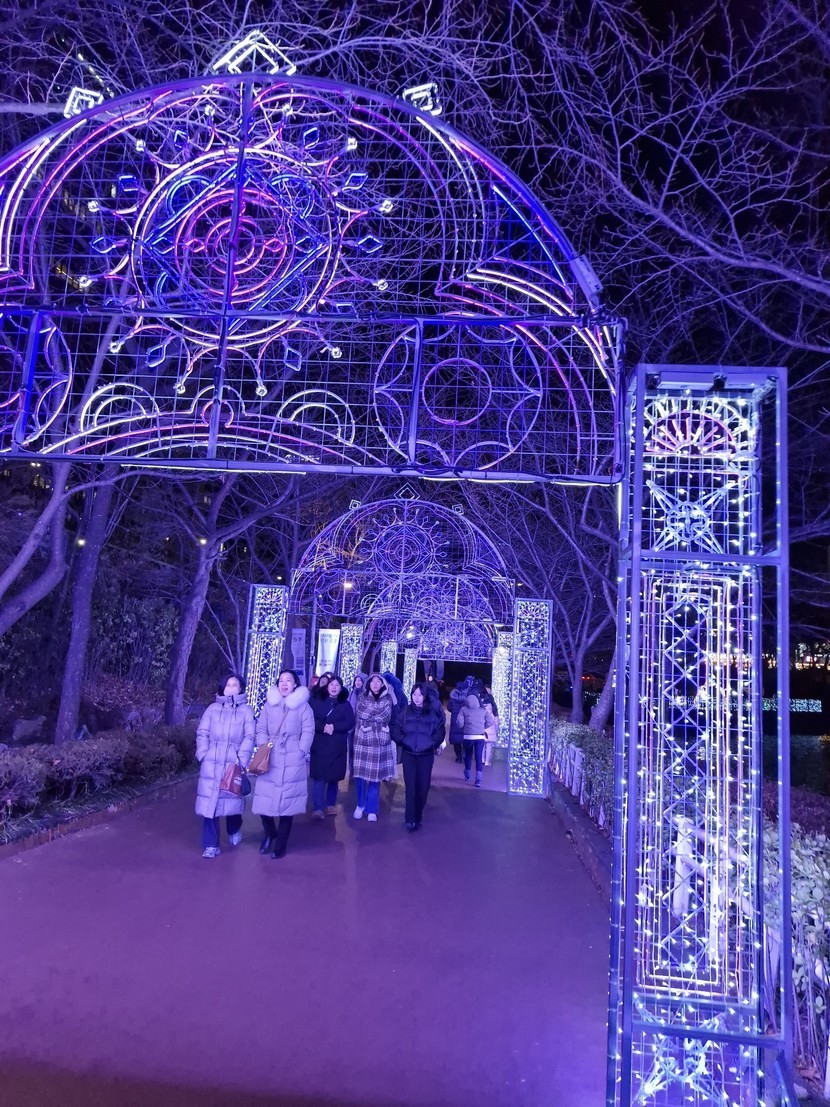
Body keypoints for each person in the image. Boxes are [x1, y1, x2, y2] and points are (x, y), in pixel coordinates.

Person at [252, 669, 314, 859]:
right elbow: (261, 727)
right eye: (281, 680)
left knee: (288, 804)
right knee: (264, 801)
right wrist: (263, 745)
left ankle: (281, 845)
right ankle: (270, 832)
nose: (284, 683)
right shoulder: (269, 705)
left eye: (289, 680)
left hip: (293, 757)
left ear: (295, 684)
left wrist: (301, 750)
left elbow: (308, 730)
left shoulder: (303, 707)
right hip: (270, 757)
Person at [195, 675, 255, 858]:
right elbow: (202, 733)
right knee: (210, 804)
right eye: (227, 685)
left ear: (240, 688)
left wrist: (241, 759)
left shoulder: (246, 711)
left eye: (234, 685)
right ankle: (210, 845)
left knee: (232, 802)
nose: (230, 688)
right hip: (211, 762)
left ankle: (234, 828)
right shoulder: (212, 709)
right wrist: (203, 753)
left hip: (233, 762)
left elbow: (250, 736)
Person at [392, 683, 445, 831]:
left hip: (426, 756)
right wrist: (403, 740)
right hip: (409, 755)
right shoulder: (405, 711)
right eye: (414, 694)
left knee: (422, 788)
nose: (417, 697)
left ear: (425, 696)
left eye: (420, 695)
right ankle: (409, 819)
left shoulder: (433, 713)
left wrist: (432, 742)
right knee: (411, 787)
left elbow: (440, 731)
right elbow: (395, 728)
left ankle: (418, 816)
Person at [309, 675, 355, 818]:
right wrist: (323, 727)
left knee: (333, 778)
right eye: (332, 685)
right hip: (320, 744)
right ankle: (318, 807)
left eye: (337, 685)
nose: (334, 688)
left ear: (341, 688)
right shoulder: (317, 701)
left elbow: (350, 722)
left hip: (337, 746)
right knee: (319, 777)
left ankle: (330, 805)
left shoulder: (345, 704)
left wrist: (334, 727)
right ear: (327, 686)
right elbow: (310, 719)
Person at [352, 672, 395, 822]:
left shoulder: (387, 698)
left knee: (375, 778)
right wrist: (376, 715)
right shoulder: (362, 697)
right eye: (372, 681)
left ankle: (371, 809)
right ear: (368, 683)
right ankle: (360, 804)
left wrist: (371, 716)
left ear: (383, 684)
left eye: (378, 681)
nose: (375, 684)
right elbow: (360, 713)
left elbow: (386, 716)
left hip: (379, 741)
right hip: (362, 740)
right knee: (359, 777)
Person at [457, 688, 496, 788]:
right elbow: (490, 721)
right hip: (479, 736)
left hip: (467, 736)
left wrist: (465, 727)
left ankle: (467, 774)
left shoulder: (463, 709)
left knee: (468, 755)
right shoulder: (483, 709)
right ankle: (478, 780)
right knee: (478, 757)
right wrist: (482, 727)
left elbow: (460, 723)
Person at [478, 683, 500, 766]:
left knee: (482, 744)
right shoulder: (491, 703)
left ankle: (482, 759)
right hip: (490, 725)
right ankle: (487, 761)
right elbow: (496, 717)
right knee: (489, 745)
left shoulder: (478, 703)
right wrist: (496, 729)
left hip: (481, 724)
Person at [448, 680, 468, 763]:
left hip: (455, 720)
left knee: (456, 740)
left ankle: (458, 756)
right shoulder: (467, 699)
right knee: (465, 738)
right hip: (464, 720)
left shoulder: (452, 699)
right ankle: (464, 753)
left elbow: (449, 708)